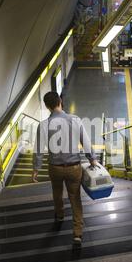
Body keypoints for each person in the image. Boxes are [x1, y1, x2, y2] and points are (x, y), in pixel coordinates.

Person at [32, 91, 97, 246]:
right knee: (75, 198)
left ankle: (60, 215)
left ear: (47, 106)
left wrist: (36, 168)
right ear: (60, 101)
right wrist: (92, 159)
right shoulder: (74, 120)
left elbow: (38, 149)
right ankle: (77, 234)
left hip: (55, 168)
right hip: (74, 167)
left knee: (57, 192)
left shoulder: (43, 125)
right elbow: (86, 142)